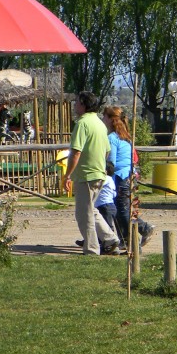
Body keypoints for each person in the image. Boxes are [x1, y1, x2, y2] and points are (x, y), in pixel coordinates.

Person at [62, 91, 120, 256]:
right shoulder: (100, 124)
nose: (75, 105)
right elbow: (107, 151)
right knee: (91, 211)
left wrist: (67, 175)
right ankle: (110, 238)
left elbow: (76, 153)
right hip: (99, 174)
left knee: (83, 215)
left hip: (86, 175)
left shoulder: (82, 124)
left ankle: (92, 249)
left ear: (83, 104)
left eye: (77, 102)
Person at [102, 106, 156, 250]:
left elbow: (111, 162)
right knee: (123, 209)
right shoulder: (126, 136)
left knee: (121, 211)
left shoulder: (112, 138)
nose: (103, 119)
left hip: (119, 178)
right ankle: (128, 237)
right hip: (129, 176)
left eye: (105, 116)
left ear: (111, 119)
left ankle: (136, 234)